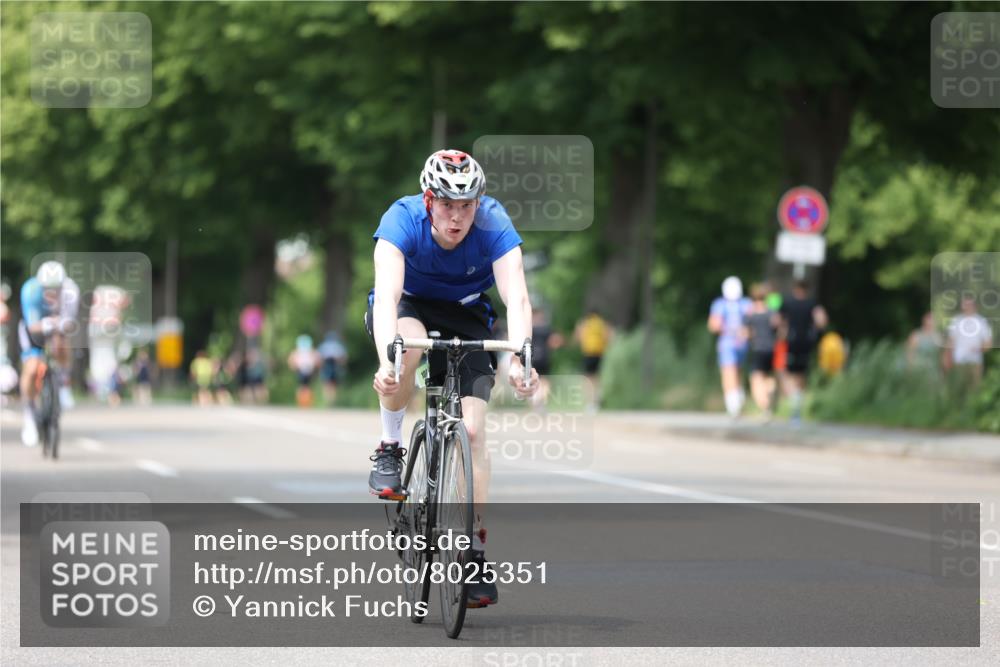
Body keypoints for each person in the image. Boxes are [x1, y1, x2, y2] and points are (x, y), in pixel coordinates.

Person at [365, 149, 538, 608]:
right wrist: (388, 360)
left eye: (467, 206)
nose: (457, 217)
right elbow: (386, 300)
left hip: (466, 316)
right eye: (447, 205)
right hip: (409, 309)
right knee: (410, 349)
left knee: (476, 430)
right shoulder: (400, 220)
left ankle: (474, 555)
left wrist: (521, 358)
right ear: (428, 200)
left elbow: (516, 298)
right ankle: (389, 446)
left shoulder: (494, 222)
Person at [17, 261, 80, 446]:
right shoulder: (30, 291)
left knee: (61, 343)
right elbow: (32, 326)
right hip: (34, 328)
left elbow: (68, 323)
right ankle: (29, 414)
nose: (52, 293)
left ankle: (63, 383)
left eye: (56, 289)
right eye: (47, 289)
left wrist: (58, 326)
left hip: (56, 327)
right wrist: (49, 323)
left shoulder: (71, 291)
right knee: (31, 368)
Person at [778, 280, 828, 424]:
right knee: (801, 374)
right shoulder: (812, 304)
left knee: (787, 373)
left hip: (791, 342)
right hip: (806, 343)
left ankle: (793, 401)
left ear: (795, 289)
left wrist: (782, 336)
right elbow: (821, 321)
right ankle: (797, 404)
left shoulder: (787, 303)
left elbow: (779, 322)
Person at [708, 276, 752, 418]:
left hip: (728, 343)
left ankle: (733, 403)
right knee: (735, 371)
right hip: (740, 343)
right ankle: (736, 402)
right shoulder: (746, 303)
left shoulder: (720, 304)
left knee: (730, 372)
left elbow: (713, 325)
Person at [744, 283, 779, 418]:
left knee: (756, 379)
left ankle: (764, 406)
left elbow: (746, 333)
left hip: (757, 348)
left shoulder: (751, 314)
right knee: (769, 377)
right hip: (771, 348)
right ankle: (770, 396)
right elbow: (778, 328)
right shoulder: (771, 312)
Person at [945, 296, 993, 386]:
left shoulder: (982, 322)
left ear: (975, 306)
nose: (967, 306)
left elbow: (988, 343)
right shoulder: (956, 321)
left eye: (969, 304)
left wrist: (979, 349)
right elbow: (950, 341)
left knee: (974, 387)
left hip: (975, 361)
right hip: (958, 361)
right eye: (965, 304)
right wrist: (947, 358)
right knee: (958, 387)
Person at [574, 308, 612, 410]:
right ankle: (597, 398)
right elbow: (608, 337)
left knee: (588, 378)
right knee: (597, 377)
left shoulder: (585, 323)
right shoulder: (602, 323)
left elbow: (578, 337)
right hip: (599, 353)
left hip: (588, 353)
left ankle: (590, 402)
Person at [529, 307, 564, 408]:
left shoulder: (528, 328)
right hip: (544, 357)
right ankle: (541, 401)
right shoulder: (547, 329)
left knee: (531, 380)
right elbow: (556, 341)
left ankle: (535, 403)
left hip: (531, 358)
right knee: (545, 380)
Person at [288, 334, 320, 407]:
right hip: (309, 370)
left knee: (302, 386)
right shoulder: (311, 351)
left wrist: (294, 367)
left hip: (301, 370)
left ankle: (302, 402)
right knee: (307, 386)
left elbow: (291, 360)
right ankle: (307, 402)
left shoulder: (298, 351)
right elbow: (317, 360)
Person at [318, 331, 348, 405]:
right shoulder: (338, 346)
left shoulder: (323, 346)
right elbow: (343, 358)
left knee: (327, 383)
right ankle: (331, 400)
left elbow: (319, 358)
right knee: (333, 384)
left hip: (328, 367)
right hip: (333, 366)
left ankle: (329, 400)